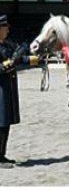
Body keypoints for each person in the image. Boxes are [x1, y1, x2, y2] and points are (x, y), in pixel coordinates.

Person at [0, 14, 42, 169]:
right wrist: (7, 64)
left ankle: (2, 155)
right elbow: (7, 64)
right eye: (5, 27)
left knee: (5, 124)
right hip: (1, 90)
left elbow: (19, 59)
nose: (8, 29)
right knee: (1, 124)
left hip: (8, 90)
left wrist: (36, 59)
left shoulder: (8, 45)